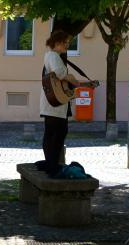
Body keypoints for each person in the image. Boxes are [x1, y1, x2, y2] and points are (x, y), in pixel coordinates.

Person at [39, 30, 81, 177]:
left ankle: (50, 164)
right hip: (55, 105)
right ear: (57, 43)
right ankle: (52, 165)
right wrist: (71, 77)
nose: (67, 45)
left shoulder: (51, 56)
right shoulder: (53, 56)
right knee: (58, 133)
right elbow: (60, 73)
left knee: (51, 133)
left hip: (52, 103)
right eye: (65, 42)